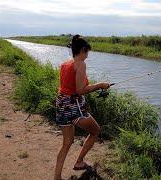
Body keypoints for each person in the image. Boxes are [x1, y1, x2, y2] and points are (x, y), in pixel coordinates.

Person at [54, 34, 110, 180]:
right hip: (74, 106)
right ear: (83, 50)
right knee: (96, 130)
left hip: (61, 103)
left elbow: (67, 87)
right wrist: (100, 85)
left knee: (67, 143)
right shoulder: (81, 64)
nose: (87, 56)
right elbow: (80, 90)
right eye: (87, 52)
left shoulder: (65, 64)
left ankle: (57, 177)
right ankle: (79, 162)